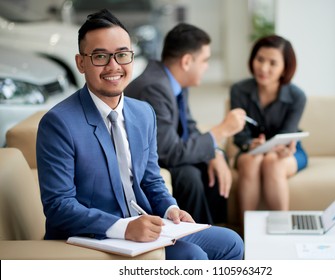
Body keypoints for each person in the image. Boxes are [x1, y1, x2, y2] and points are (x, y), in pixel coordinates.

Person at [36, 9, 243, 260]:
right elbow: (59, 207)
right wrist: (124, 227)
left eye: (122, 55)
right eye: (100, 56)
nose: (114, 66)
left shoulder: (144, 113)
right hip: (91, 235)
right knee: (193, 257)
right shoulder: (59, 123)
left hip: (145, 225)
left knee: (232, 243)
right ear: (81, 63)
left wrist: (170, 209)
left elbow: (151, 179)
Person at [125, 23, 246, 225]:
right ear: (187, 61)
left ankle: (217, 232)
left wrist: (214, 152)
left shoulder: (176, 81)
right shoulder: (154, 87)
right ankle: (201, 236)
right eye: (205, 60)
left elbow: (189, 126)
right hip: (143, 160)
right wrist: (222, 130)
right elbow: (169, 152)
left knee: (211, 164)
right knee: (189, 175)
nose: (207, 66)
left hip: (166, 151)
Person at [230, 35, 308, 223]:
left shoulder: (297, 96)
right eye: (260, 59)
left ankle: (281, 232)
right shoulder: (239, 90)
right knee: (252, 161)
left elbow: (287, 135)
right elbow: (239, 136)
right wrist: (250, 144)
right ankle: (245, 237)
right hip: (251, 150)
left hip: (286, 152)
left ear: (284, 68)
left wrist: (283, 148)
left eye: (273, 63)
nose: (263, 68)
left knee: (272, 162)